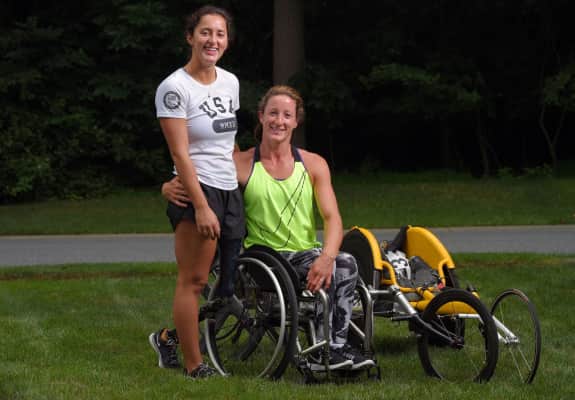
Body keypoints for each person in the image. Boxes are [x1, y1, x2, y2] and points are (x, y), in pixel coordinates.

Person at [158, 86, 375, 372]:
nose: (279, 121)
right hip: (261, 259)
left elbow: (332, 218)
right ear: (261, 116)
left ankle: (333, 350)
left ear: (296, 121)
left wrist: (327, 257)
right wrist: (168, 187)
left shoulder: (314, 164)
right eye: (273, 113)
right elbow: (192, 174)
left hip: (304, 254)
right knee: (338, 266)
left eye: (286, 115)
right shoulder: (239, 164)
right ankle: (325, 353)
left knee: (344, 263)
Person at [150, 5, 245, 380]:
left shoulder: (230, 82)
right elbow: (180, 153)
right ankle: (194, 365)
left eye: (220, 34)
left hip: (228, 189)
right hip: (196, 191)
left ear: (227, 41)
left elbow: (228, 143)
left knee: (227, 284)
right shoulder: (175, 88)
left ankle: (168, 337)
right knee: (194, 281)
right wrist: (202, 206)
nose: (213, 40)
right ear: (190, 37)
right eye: (205, 32)